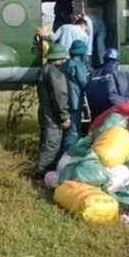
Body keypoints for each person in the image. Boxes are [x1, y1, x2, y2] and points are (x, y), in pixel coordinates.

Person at [32, 43, 71, 186]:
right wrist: (64, 116)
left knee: (45, 143)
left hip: (43, 114)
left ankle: (41, 173)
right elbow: (59, 97)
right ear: (59, 59)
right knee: (51, 146)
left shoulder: (43, 70)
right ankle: (40, 176)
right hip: (52, 117)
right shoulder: (55, 74)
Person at [59, 39, 88, 155]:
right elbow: (83, 83)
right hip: (74, 102)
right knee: (73, 131)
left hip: (63, 101)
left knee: (66, 131)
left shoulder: (64, 65)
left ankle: (62, 154)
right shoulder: (78, 65)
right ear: (81, 53)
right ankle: (68, 157)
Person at [86, 48, 129, 122]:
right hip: (114, 119)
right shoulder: (121, 76)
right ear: (117, 61)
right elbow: (125, 96)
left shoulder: (91, 75)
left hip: (96, 118)